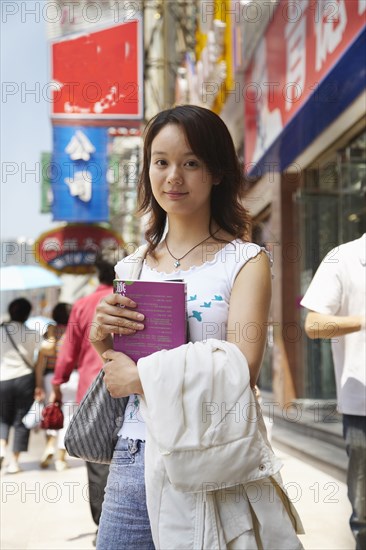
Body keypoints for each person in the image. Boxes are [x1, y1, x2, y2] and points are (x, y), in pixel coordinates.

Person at [90, 105, 304, 549]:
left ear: (218, 172)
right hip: (134, 452)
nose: (173, 177)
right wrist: (102, 340)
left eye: (191, 163)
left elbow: (241, 366)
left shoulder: (245, 260)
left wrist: (143, 376)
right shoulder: (132, 265)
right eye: (161, 162)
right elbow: (120, 373)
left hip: (210, 456)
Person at [301, 234, 366, 549]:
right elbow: (314, 324)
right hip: (362, 408)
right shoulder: (346, 257)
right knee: (365, 516)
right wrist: (362, 321)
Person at [51, 249, 119, 542]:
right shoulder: (132, 297)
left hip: (92, 392)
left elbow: (69, 349)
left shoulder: (82, 305)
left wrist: (58, 380)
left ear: (97, 275)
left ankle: (103, 524)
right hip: (132, 387)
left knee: (97, 459)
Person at [0, 298, 42, 473]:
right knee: (20, 420)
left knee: (2, 418)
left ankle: (1, 448)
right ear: (27, 313)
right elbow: (39, 360)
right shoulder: (33, 334)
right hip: (25, 379)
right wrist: (39, 385)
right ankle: (14, 463)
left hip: (2, 379)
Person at [36, 302, 73, 469]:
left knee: (52, 411)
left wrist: (38, 384)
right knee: (68, 416)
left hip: (50, 376)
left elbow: (41, 359)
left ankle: (49, 445)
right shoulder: (74, 331)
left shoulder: (50, 332)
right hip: (71, 376)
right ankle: (60, 459)